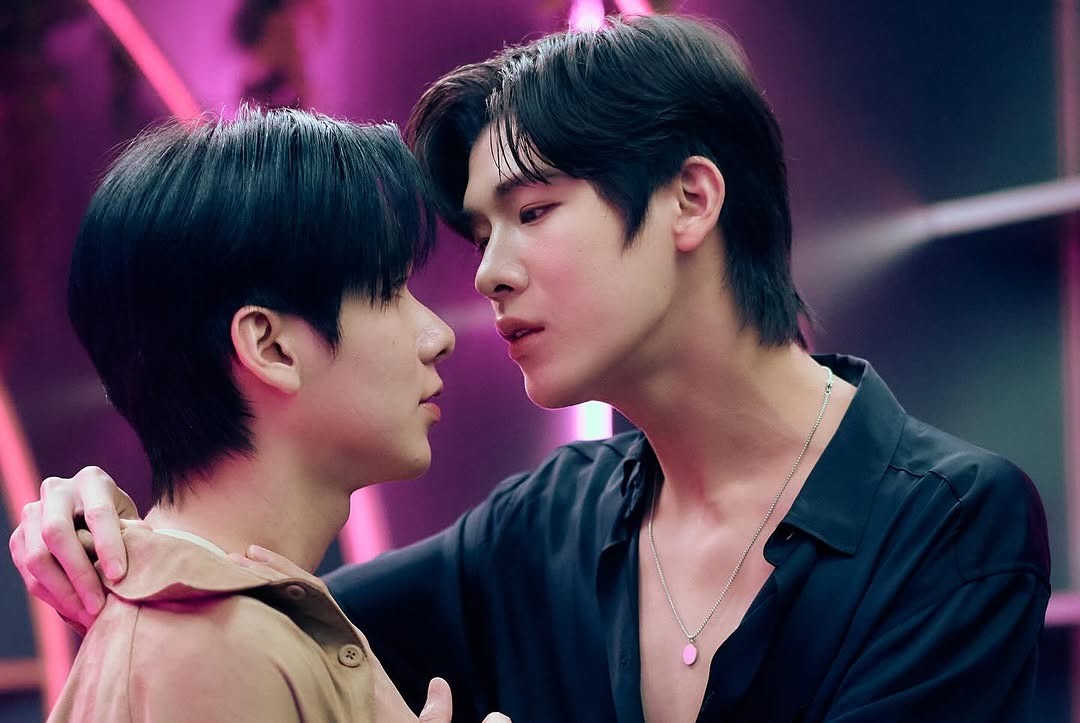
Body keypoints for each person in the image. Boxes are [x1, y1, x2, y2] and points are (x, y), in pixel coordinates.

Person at [11, 15, 1050, 722]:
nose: (488, 276)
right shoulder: (546, 523)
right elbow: (256, 610)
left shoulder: (952, 525)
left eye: (534, 211)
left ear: (692, 200)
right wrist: (107, 533)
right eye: (480, 232)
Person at [27, 105, 506, 723]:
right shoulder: (215, 650)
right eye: (390, 290)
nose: (439, 335)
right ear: (271, 346)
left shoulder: (223, 630)